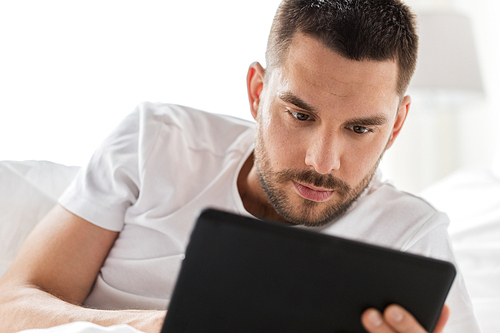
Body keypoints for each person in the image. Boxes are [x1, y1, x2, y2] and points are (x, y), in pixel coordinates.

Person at [0, 0, 481, 332]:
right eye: (299, 115)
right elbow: (14, 306)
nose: (322, 161)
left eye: (360, 130)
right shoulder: (157, 143)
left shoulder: (412, 237)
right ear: (257, 92)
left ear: (396, 126)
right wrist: (157, 326)